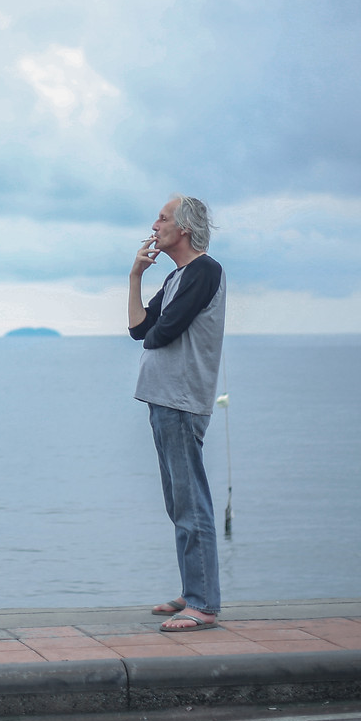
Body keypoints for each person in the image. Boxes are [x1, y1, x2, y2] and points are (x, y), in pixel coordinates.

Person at [128, 195, 226, 632]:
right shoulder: (176, 277)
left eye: (163, 218)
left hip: (182, 401)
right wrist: (135, 276)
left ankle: (203, 604)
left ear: (183, 227)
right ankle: (193, 588)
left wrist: (153, 331)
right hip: (163, 399)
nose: (155, 224)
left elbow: (161, 332)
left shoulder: (205, 271)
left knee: (191, 503)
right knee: (177, 502)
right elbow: (137, 329)